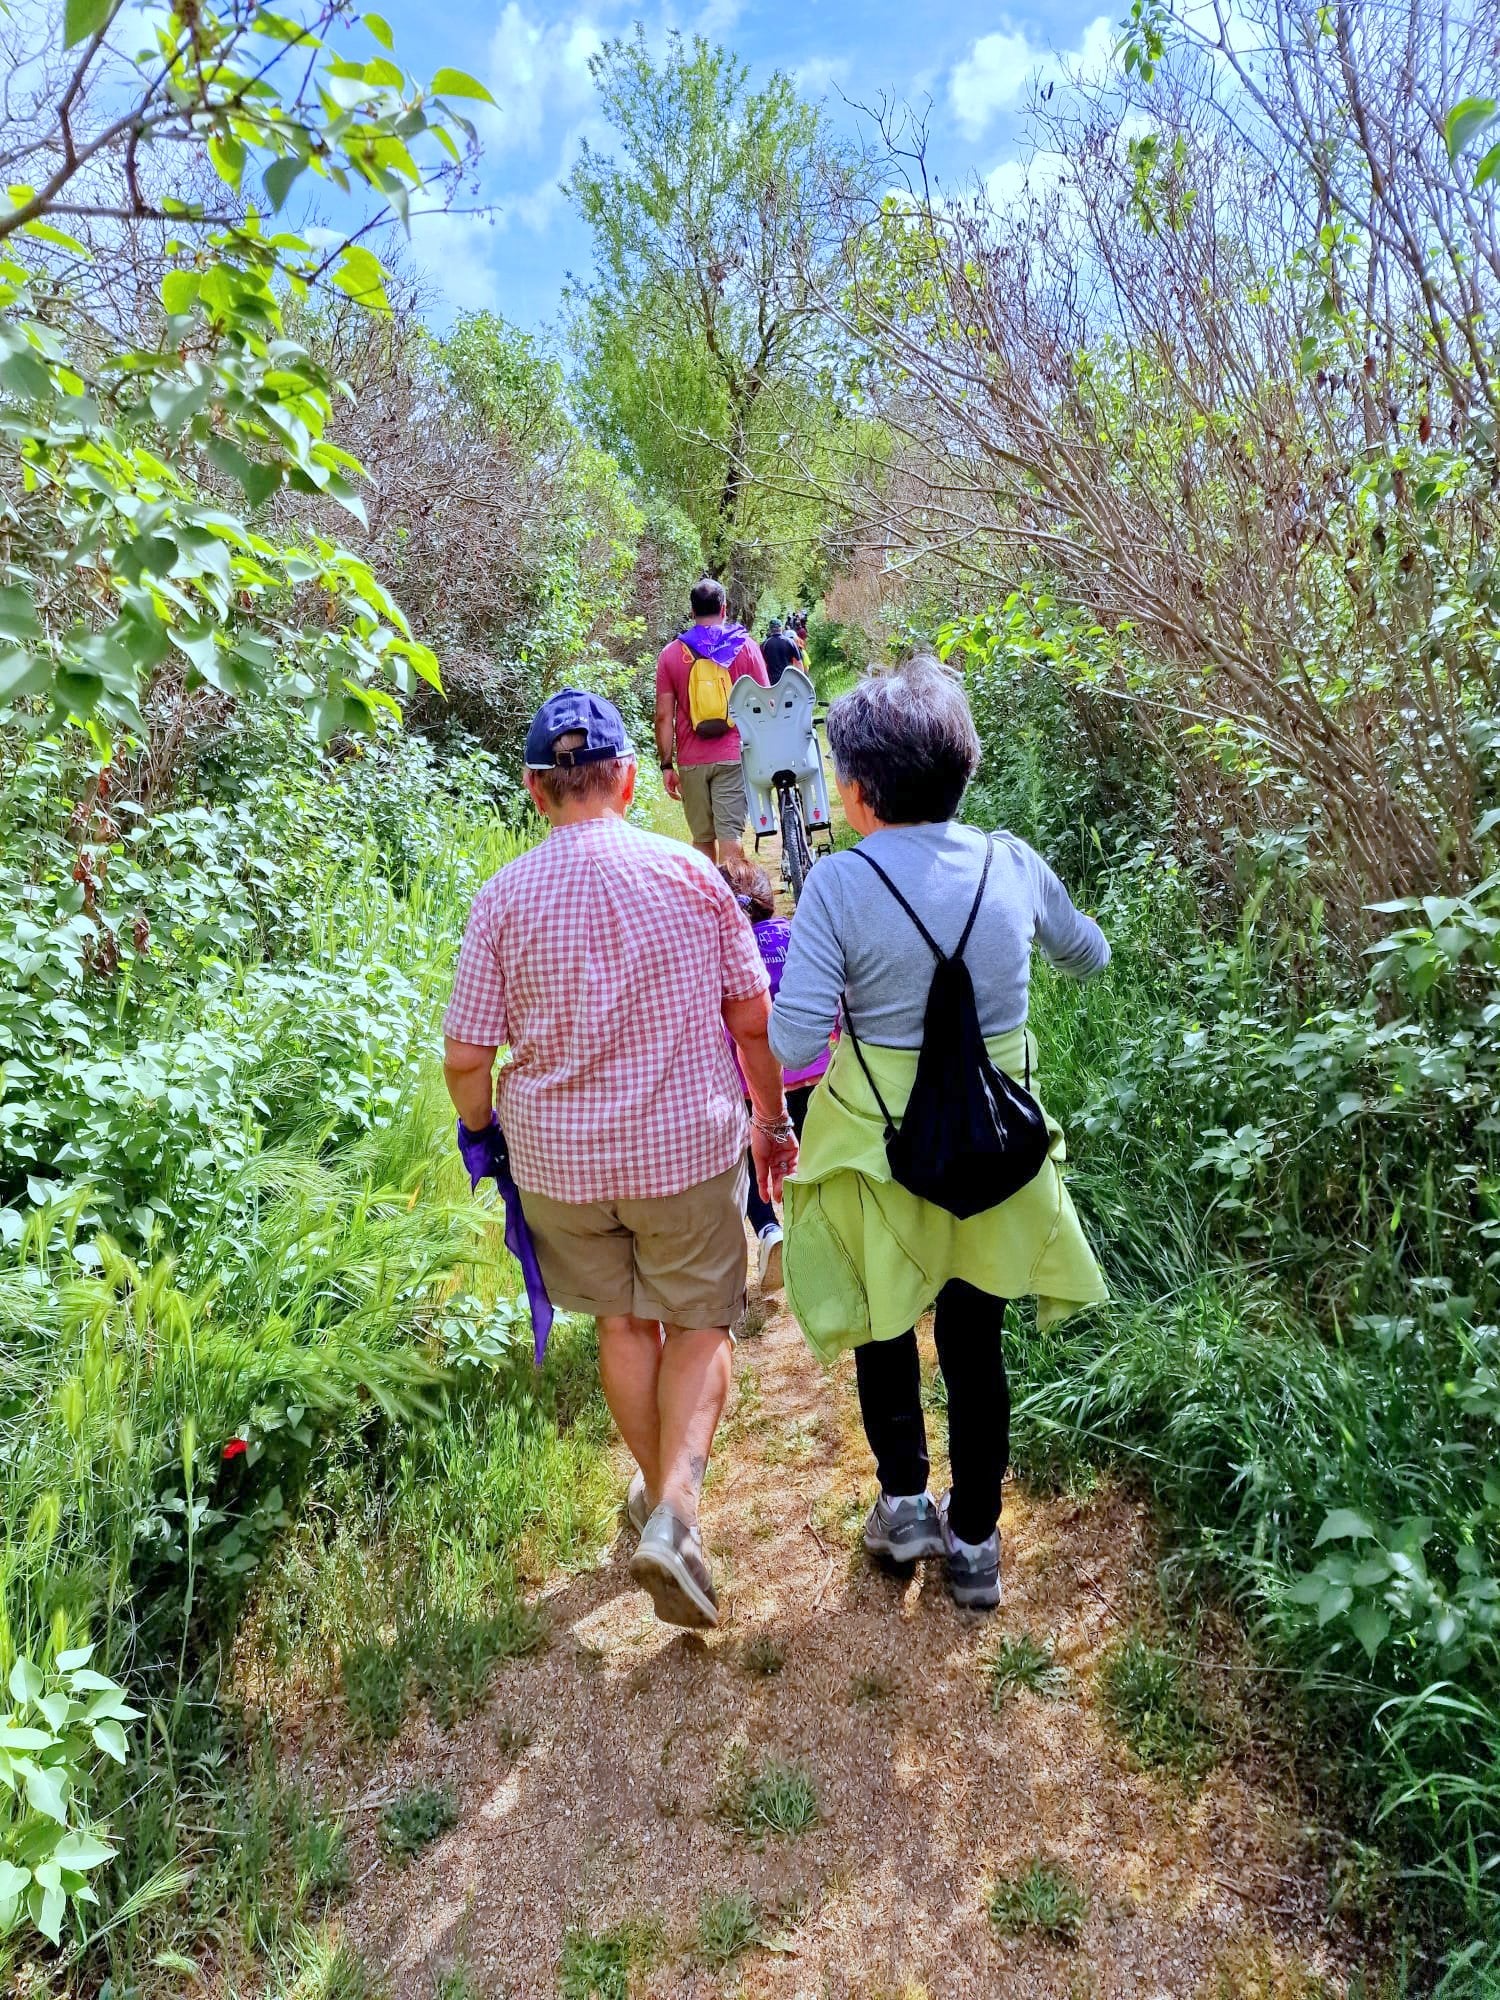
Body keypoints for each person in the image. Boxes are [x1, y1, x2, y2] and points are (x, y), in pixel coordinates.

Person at [443, 688, 799, 1630]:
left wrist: (484, 1136)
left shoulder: (501, 898)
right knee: (699, 1325)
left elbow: (466, 1057)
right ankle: (675, 1514)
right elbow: (752, 1019)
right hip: (684, 1152)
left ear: (534, 791)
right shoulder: (690, 877)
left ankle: (656, 1510)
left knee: (622, 1329)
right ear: (633, 780)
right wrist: (770, 1121)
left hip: (561, 1171)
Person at [769, 657, 1109, 1612]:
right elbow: (1089, 953)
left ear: (862, 791)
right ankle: (975, 1544)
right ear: (963, 770)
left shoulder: (838, 885)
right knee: (975, 1340)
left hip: (883, 1151)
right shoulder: (1012, 860)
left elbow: (794, 1038)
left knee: (887, 1323)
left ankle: (907, 1503)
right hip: (999, 1149)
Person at [716, 852, 831, 1292]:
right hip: (814, 1073)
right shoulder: (796, 934)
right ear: (768, 899)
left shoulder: (724, 957)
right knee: (810, 1160)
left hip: (755, 1085)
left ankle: (768, 1231)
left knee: (753, 1169)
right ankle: (818, 1236)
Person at [655, 577, 769, 862]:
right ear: (724, 608)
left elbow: (663, 717)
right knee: (731, 837)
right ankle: (738, 904)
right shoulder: (745, 646)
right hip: (732, 754)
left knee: (703, 842)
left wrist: (667, 764)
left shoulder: (670, 655)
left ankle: (708, 904)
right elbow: (766, 701)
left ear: (692, 612)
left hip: (692, 761)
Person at [762, 618, 801, 685]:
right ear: (781, 628)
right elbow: (798, 663)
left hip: (772, 682)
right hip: (788, 679)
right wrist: (799, 680)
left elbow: (763, 665)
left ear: (770, 629)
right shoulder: (790, 642)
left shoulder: (764, 644)